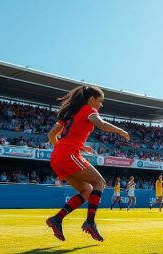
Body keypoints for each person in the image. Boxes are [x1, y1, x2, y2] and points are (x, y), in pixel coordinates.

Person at [45, 86, 130, 242]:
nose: (101, 105)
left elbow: (51, 135)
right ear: (92, 100)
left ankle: (57, 219)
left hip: (57, 156)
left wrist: (70, 148)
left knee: (87, 190)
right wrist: (120, 131)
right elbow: (101, 123)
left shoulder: (69, 112)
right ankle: (90, 222)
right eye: (100, 101)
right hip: (68, 155)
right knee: (100, 182)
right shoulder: (88, 109)